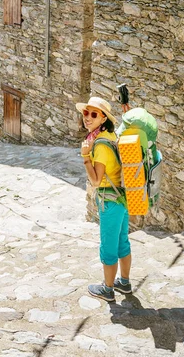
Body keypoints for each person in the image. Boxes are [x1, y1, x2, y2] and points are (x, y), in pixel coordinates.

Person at [76, 96, 132, 302]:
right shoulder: (110, 135)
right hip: (123, 199)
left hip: (110, 201)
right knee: (122, 242)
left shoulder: (100, 146)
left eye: (93, 114)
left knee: (109, 246)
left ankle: (108, 289)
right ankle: (124, 283)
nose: (87, 118)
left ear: (103, 118)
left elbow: (96, 180)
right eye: (85, 113)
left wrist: (84, 157)